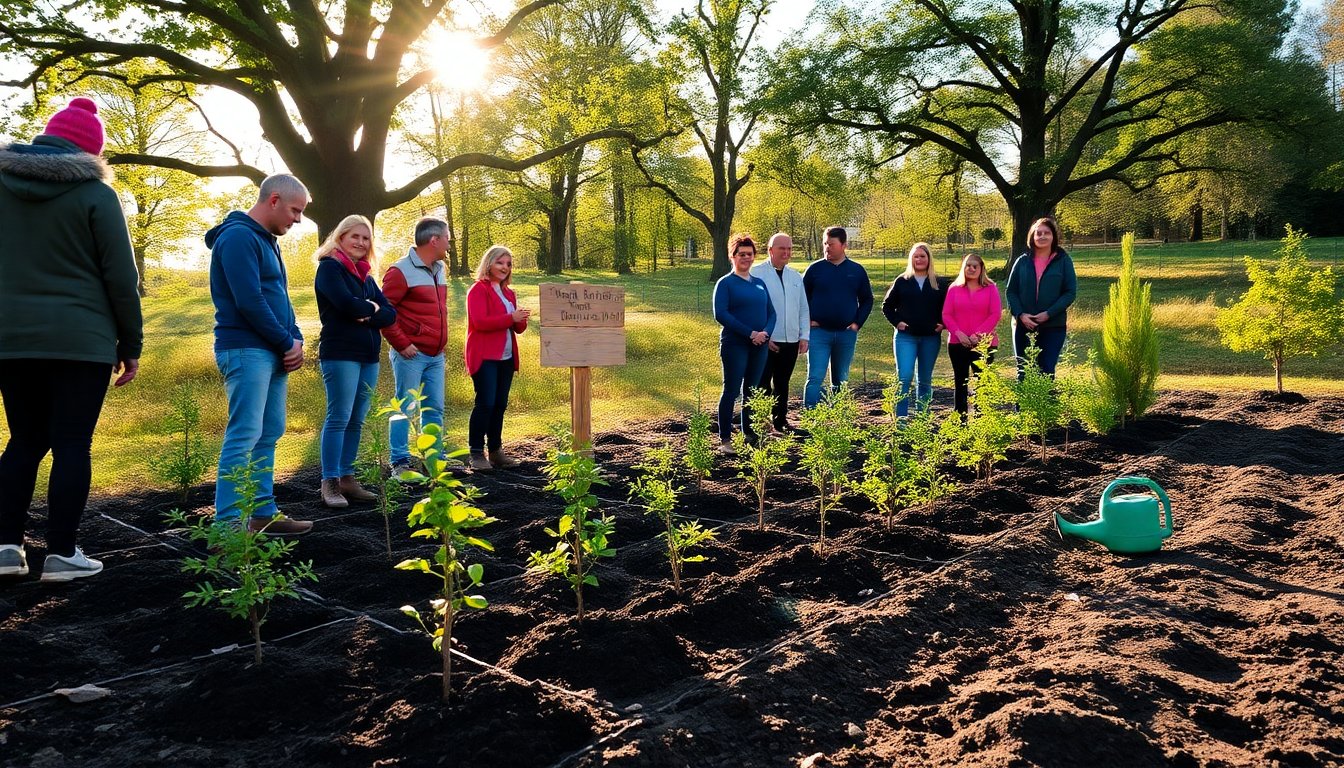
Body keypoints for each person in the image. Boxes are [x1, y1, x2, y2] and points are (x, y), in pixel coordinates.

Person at [0, 97, 143, 581]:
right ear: (91, 153)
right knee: (71, 444)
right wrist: (131, 345)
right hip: (81, 341)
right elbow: (121, 278)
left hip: (11, 340)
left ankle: (4, 548)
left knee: (23, 441)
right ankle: (61, 554)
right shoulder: (96, 194)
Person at [208, 173, 313, 535]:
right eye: (294, 211)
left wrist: (295, 337)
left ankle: (262, 513)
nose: (297, 220)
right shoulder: (238, 237)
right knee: (244, 435)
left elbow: (278, 298)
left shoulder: (267, 241)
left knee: (269, 432)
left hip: (271, 349)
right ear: (273, 200)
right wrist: (286, 343)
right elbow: (248, 301)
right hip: (246, 348)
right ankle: (227, 530)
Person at [313, 215, 396, 508]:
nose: (361, 243)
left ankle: (348, 478)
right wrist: (367, 308)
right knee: (339, 417)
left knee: (357, 419)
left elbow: (390, 313)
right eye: (355, 237)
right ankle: (330, 482)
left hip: (368, 357)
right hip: (340, 354)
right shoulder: (330, 269)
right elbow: (346, 305)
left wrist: (369, 310)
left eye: (366, 238)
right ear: (340, 237)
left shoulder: (365, 276)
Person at [381, 218, 450, 475]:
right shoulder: (399, 271)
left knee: (435, 408)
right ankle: (399, 462)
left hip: (436, 354)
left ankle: (434, 459)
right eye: (447, 238)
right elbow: (384, 313)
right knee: (406, 406)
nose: (448, 243)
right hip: (411, 354)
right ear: (434, 240)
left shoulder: (440, 268)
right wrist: (402, 344)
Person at [464, 246, 531, 471]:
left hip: (506, 357)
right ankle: (476, 452)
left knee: (500, 404)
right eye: (500, 263)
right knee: (486, 403)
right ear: (489, 263)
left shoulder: (509, 292)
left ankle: (495, 451)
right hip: (484, 356)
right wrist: (510, 316)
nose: (505, 267)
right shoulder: (478, 290)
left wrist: (520, 319)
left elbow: (516, 328)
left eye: (509, 264)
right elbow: (480, 322)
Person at [713, 234, 776, 454]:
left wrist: (765, 333)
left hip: (759, 346)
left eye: (750, 254)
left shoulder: (759, 284)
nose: (746, 258)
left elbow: (771, 313)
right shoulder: (725, 283)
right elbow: (721, 314)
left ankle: (749, 434)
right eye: (742, 254)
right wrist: (750, 333)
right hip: (735, 345)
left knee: (752, 390)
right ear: (733, 256)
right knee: (731, 390)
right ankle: (725, 439)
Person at [802, 226, 873, 407]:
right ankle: (811, 417)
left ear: (844, 245)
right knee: (815, 377)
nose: (827, 247)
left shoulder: (856, 271)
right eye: (825, 243)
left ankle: (839, 417)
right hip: (818, 333)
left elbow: (867, 300)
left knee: (841, 379)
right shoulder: (814, 270)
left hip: (846, 333)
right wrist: (807, 321)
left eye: (831, 244)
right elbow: (801, 299)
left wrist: (857, 323)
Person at [749, 232, 810, 432]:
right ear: (770, 250)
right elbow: (754, 309)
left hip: (791, 340)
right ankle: (760, 423)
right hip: (766, 341)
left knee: (782, 383)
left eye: (789, 248)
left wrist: (804, 336)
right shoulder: (757, 274)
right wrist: (765, 338)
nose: (786, 252)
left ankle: (780, 421)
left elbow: (803, 308)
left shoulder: (795, 276)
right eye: (782, 248)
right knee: (762, 383)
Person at [1005, 217, 1077, 379]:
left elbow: (1070, 292)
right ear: (1032, 236)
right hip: (1023, 325)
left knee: (1046, 370)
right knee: (1023, 371)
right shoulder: (1022, 261)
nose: (1042, 236)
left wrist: (1048, 313)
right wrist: (1021, 315)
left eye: (1047, 233)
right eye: (1038, 233)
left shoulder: (1063, 260)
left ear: (1054, 236)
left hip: (1053, 326)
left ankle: (1046, 405)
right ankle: (1022, 405)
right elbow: (1011, 292)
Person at [881, 242, 946, 417]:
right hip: (906, 337)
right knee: (904, 377)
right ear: (911, 259)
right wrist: (897, 323)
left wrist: (943, 324)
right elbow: (887, 306)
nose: (919, 259)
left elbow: (949, 308)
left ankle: (922, 420)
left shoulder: (939, 283)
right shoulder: (902, 281)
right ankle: (900, 421)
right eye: (916, 256)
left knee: (924, 380)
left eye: (922, 256)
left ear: (929, 259)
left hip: (930, 338)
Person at [942, 253, 1002, 415]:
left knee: (982, 382)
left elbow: (995, 314)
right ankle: (960, 421)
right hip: (957, 343)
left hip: (984, 344)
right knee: (960, 381)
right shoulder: (954, 289)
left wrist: (978, 335)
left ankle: (982, 420)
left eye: (975, 266)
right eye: (968, 265)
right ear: (963, 267)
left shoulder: (991, 288)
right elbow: (947, 315)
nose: (971, 268)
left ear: (981, 268)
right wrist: (959, 334)